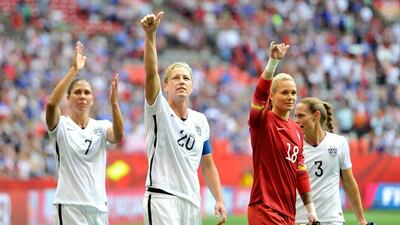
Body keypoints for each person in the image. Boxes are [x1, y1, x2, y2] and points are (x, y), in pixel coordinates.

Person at [140, 12, 227, 225]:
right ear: (166, 86)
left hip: (191, 201)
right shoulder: (157, 109)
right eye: (175, 78)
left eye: (186, 78)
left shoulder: (200, 121)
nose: (181, 81)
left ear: (192, 86)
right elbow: (151, 74)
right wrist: (150, 36)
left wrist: (219, 199)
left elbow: (207, 165)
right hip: (162, 196)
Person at [45, 41, 124, 225]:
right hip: (70, 206)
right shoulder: (60, 126)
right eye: (78, 92)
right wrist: (74, 69)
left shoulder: (101, 127)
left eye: (87, 93)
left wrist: (114, 104)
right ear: (68, 98)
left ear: (92, 100)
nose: (82, 96)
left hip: (98, 207)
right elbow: (51, 104)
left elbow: (119, 136)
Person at [247, 41, 319, 225]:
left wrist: (311, 210)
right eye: (284, 93)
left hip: (288, 214)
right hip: (264, 208)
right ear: (272, 95)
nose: (290, 97)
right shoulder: (262, 121)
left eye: (294, 93)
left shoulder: (296, 130)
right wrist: (273, 62)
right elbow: (259, 95)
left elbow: (300, 173)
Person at [294, 97, 369, 225]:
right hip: (301, 219)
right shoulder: (293, 146)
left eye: (301, 116)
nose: (296, 120)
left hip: (332, 219)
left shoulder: (339, 143)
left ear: (316, 116)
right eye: (295, 116)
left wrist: (361, 220)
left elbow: (349, 183)